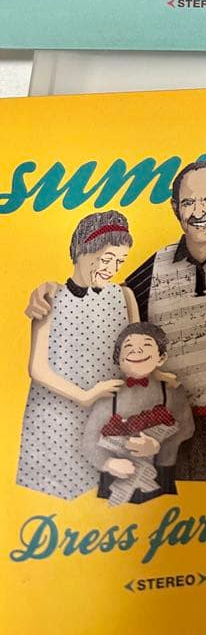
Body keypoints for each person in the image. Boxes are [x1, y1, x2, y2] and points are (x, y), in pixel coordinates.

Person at [26, 160, 206, 483]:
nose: (198, 211)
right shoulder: (155, 266)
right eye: (188, 202)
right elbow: (105, 301)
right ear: (175, 208)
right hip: (181, 430)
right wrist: (53, 290)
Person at [16, 211, 139, 500]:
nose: (112, 269)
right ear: (83, 250)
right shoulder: (51, 297)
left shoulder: (124, 296)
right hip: (54, 418)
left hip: (105, 417)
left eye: (120, 262)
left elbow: (138, 353)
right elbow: (37, 368)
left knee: (106, 500)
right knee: (52, 500)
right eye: (106, 259)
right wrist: (84, 395)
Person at [83, 322, 194, 506]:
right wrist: (108, 463)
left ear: (161, 357)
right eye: (129, 346)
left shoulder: (172, 390)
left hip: (160, 472)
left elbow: (186, 428)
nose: (137, 351)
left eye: (146, 345)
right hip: (116, 477)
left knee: (164, 512)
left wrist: (157, 445)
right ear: (119, 358)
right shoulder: (109, 393)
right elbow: (89, 439)